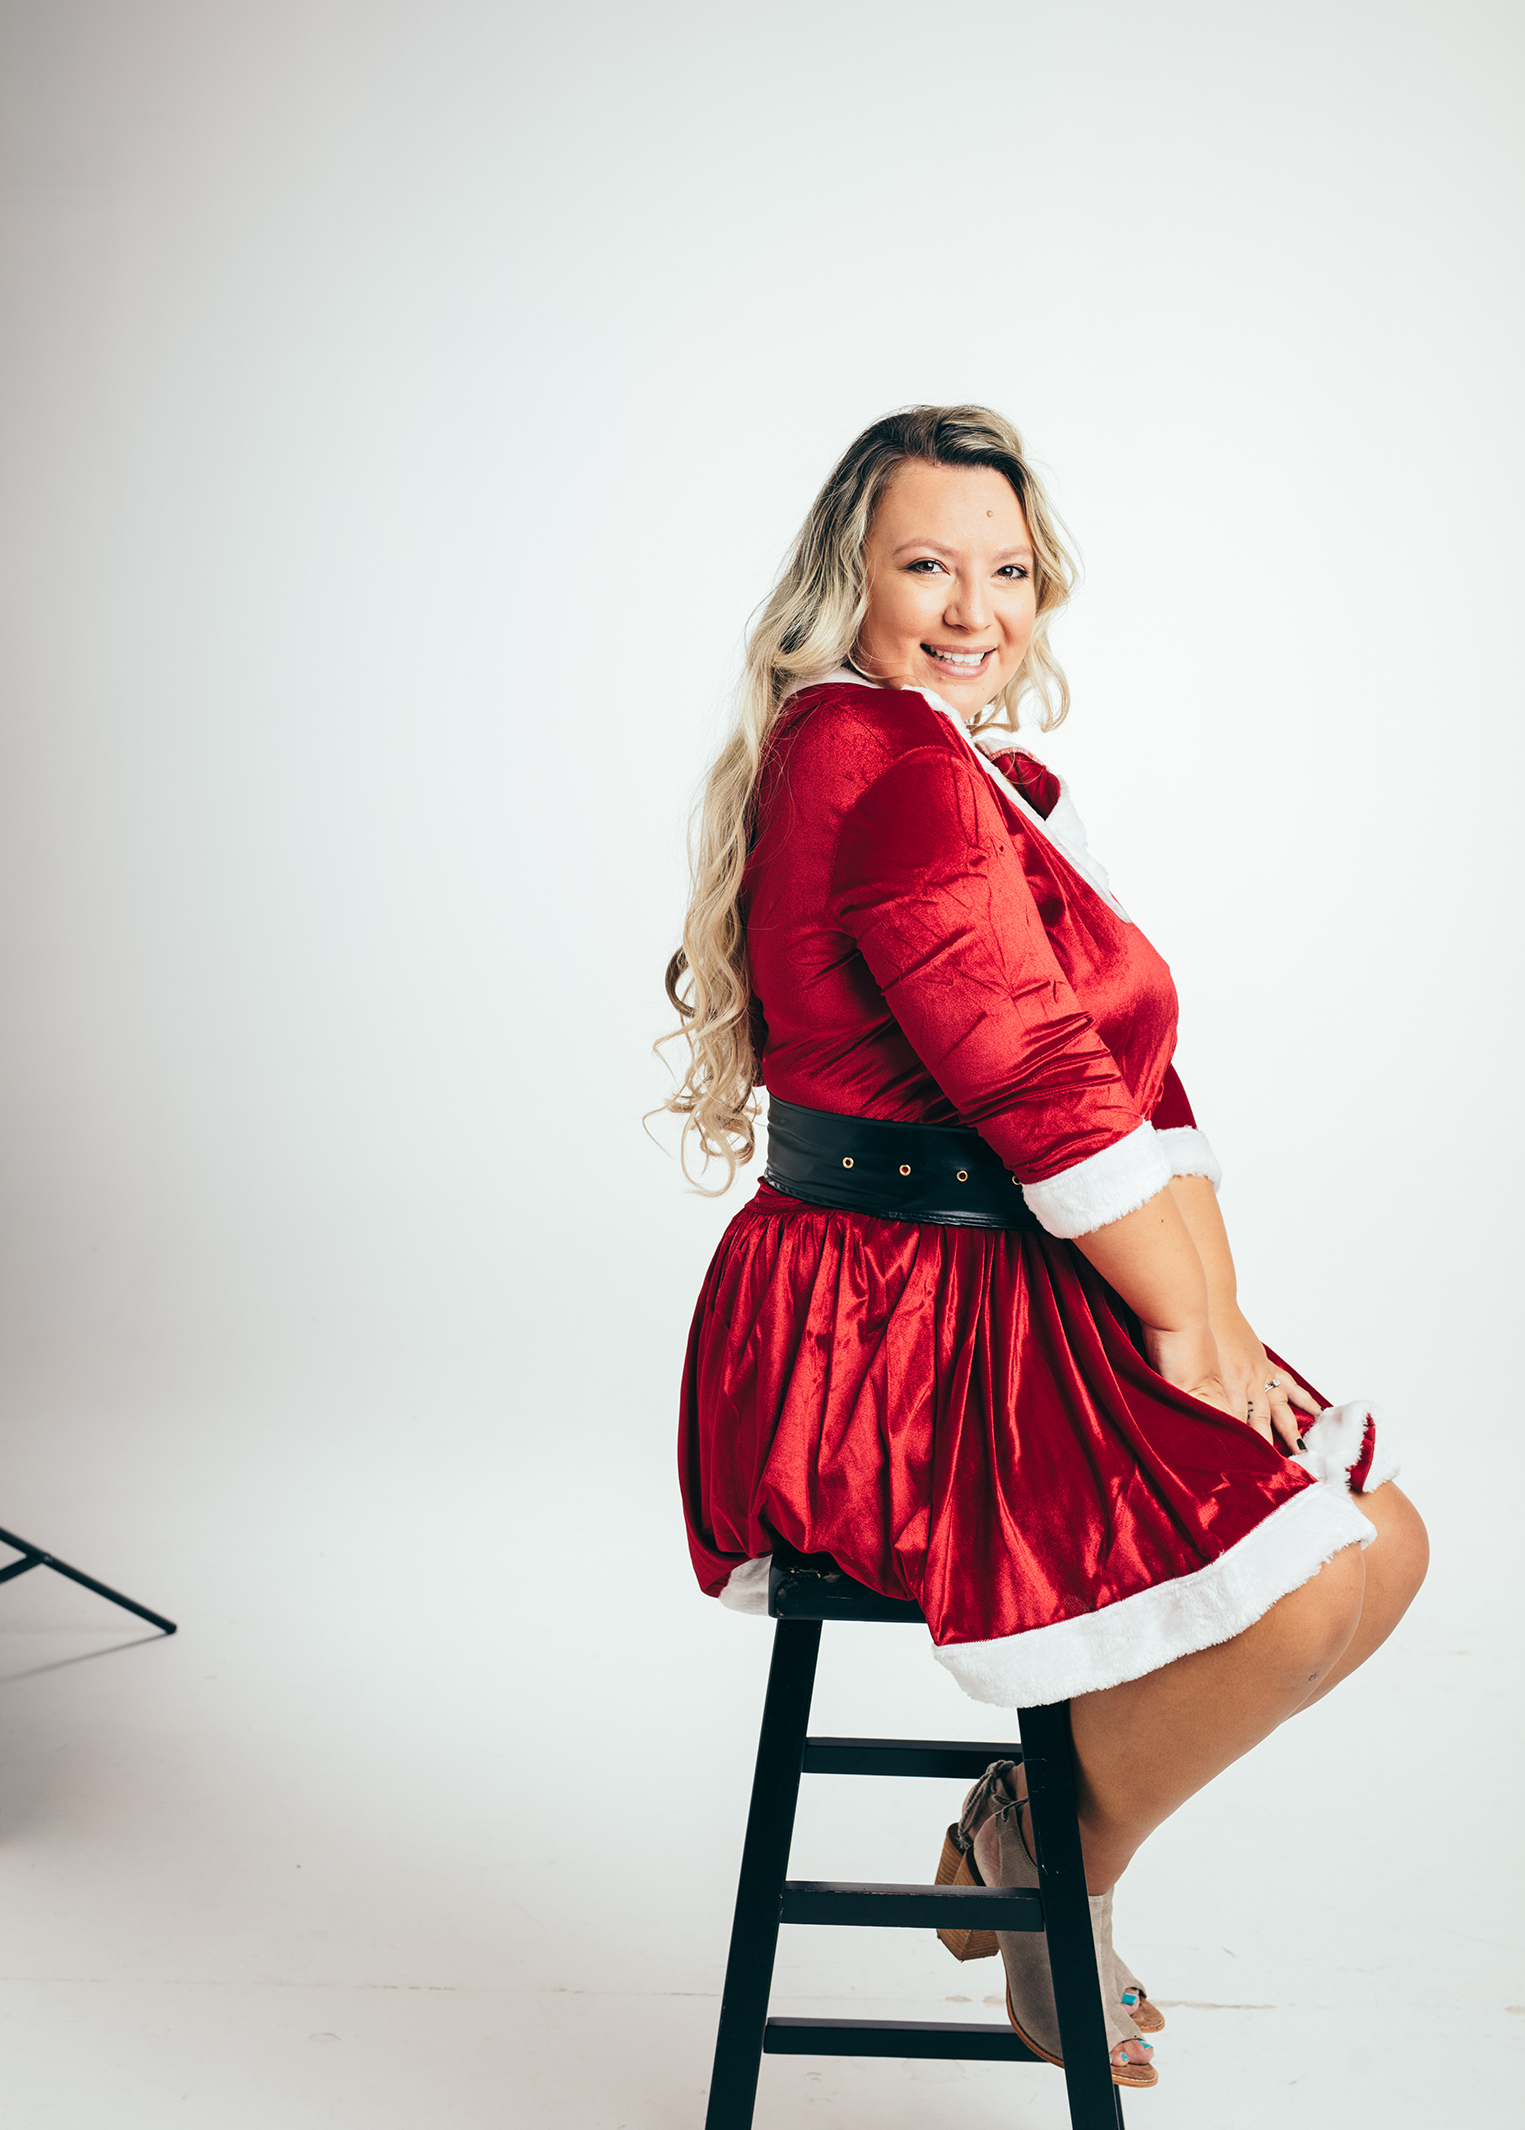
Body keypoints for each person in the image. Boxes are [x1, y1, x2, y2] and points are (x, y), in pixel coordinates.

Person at [662, 404, 1427, 2088]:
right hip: (881, 1343)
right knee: (1314, 1584)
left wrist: (1214, 1315)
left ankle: (1028, 1840)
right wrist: (1186, 1327)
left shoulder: (904, 751)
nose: (971, 606)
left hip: (964, 1287)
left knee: (1380, 1540)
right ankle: (1053, 1896)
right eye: (925, 563)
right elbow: (1035, 1085)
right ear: (842, 578)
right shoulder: (890, 764)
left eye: (1005, 569)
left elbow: (1115, 1075)